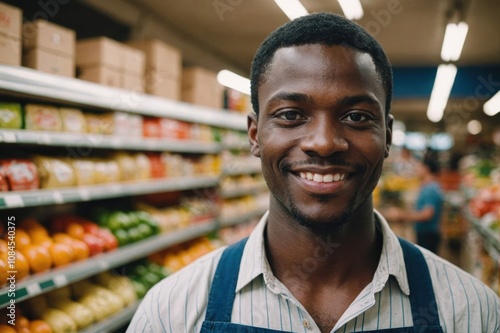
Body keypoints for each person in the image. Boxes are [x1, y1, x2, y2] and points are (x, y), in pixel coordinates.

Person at [127, 13, 499, 333]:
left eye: (356, 117)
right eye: (291, 115)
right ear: (255, 135)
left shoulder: (471, 313)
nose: (323, 143)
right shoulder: (172, 312)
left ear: (387, 135)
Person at [385, 151, 444, 254]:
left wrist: (401, 215)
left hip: (428, 234)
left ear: (426, 169)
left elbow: (427, 214)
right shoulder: (428, 187)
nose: (417, 169)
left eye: (419, 167)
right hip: (425, 233)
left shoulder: (430, 189)